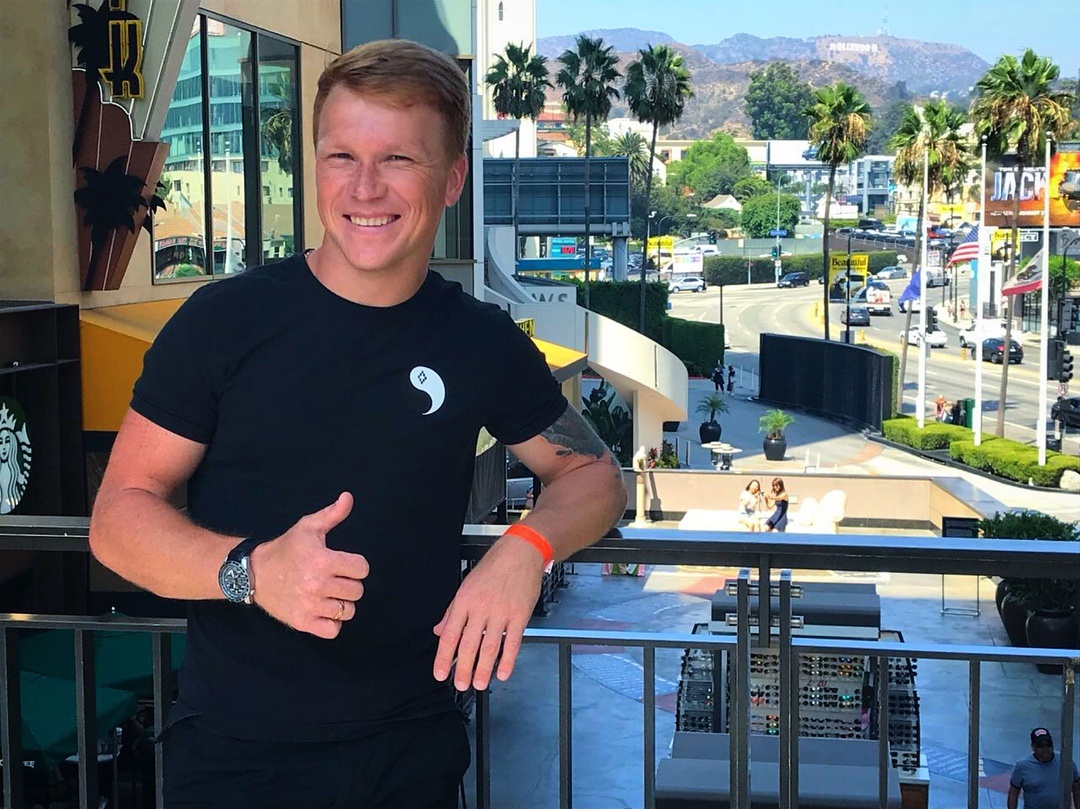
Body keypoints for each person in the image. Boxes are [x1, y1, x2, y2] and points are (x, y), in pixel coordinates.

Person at [87, 39, 627, 809]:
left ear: (452, 179)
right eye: (341, 155)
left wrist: (525, 549)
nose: (365, 187)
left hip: (412, 753)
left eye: (398, 158)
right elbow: (118, 518)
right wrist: (252, 570)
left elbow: (593, 472)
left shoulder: (479, 340)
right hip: (237, 758)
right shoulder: (223, 322)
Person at [1007, 727, 1080, 809]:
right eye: (1040, 745)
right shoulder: (1022, 766)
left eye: (1048, 744)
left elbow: (1077, 788)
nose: (1045, 748)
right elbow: (1013, 793)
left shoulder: (1066, 761)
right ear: (1033, 747)